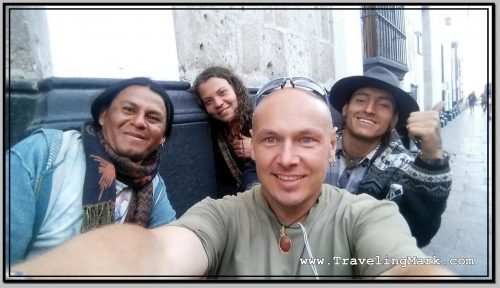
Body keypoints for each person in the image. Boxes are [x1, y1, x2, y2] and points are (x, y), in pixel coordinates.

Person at [11, 77, 453, 278]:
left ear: (330, 144)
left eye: (306, 141)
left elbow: (405, 264)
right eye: (269, 141)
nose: (286, 159)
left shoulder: (368, 215)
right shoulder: (219, 216)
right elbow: (157, 250)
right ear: (251, 145)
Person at [241, 67, 452, 248]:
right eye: (361, 100)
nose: (369, 110)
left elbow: (418, 233)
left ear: (394, 119)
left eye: (383, 105)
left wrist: (432, 157)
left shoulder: (403, 167)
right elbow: (267, 173)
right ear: (345, 108)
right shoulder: (315, 144)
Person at [6, 77, 177, 266]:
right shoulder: (44, 153)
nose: (139, 122)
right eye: (128, 109)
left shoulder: (153, 184)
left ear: (163, 137)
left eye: (153, 118)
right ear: (103, 116)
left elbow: (168, 254)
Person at [192, 66, 257, 196]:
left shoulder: (261, 118)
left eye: (222, 93)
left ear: (236, 90)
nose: (218, 103)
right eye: (208, 101)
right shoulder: (216, 135)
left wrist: (258, 150)